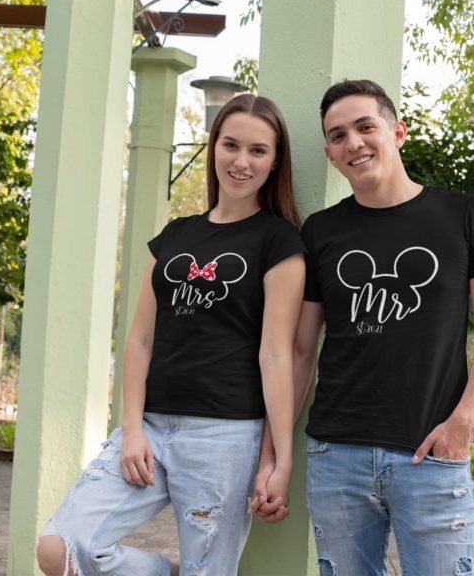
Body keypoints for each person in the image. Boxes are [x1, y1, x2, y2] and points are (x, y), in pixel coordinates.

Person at [250, 79, 474, 575]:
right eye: (338, 136)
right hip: (336, 456)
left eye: (365, 127)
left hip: (431, 454)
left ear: (397, 132)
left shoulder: (462, 215)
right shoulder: (321, 231)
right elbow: (300, 353)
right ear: (330, 155)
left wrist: (463, 422)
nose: (354, 142)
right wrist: (273, 457)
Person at [36, 93, 305, 576]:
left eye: (258, 150)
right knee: (60, 548)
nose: (241, 161)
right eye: (230, 145)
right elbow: (140, 340)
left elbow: (276, 356)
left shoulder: (279, 241)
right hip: (150, 429)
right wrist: (132, 428)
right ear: (214, 147)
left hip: (225, 436)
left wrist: (278, 462)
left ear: (274, 161)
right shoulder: (174, 236)